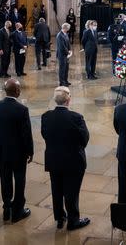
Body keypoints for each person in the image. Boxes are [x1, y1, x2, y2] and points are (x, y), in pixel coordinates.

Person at [41, 86, 91, 231]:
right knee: (72, 192)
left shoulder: (46, 116)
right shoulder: (76, 117)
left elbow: (45, 135)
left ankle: (59, 218)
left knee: (56, 190)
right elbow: (84, 139)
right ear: (68, 100)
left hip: (54, 160)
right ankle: (73, 221)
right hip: (74, 161)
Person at [0, 78, 33, 223]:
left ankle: (6, 208)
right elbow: (26, 134)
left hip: (2, 150)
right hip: (19, 153)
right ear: (18, 91)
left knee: (5, 179)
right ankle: (18, 211)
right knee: (20, 181)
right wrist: (30, 151)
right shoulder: (22, 110)